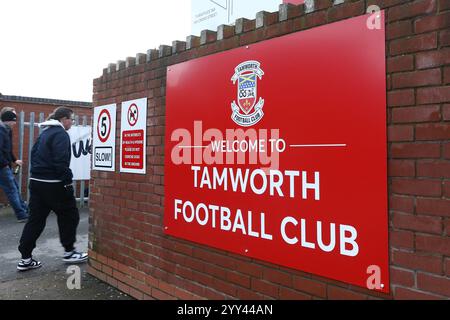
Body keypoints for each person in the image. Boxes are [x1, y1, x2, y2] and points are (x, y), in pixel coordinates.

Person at [17, 107, 87, 271]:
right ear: (63, 119)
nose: (73, 122)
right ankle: (69, 252)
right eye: (72, 119)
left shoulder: (45, 133)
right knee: (70, 215)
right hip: (54, 184)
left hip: (36, 182)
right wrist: (67, 180)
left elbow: (33, 155)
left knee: (35, 220)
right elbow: (60, 162)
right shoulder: (61, 134)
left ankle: (25, 259)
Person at [0, 110, 28, 222]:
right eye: (13, 121)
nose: (15, 123)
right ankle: (21, 215)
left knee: (14, 189)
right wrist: (5, 164)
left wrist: (15, 160)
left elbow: (8, 149)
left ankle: (25, 211)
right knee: (12, 190)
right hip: (2, 167)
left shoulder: (7, 130)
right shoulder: (1, 131)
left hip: (5, 165)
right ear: (8, 121)